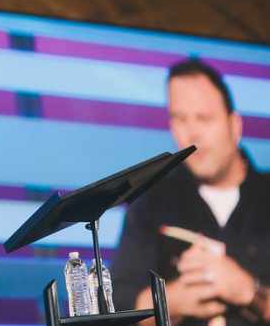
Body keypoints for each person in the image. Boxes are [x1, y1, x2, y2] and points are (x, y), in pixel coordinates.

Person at [111, 59, 270, 326]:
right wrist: (172, 301)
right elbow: (119, 308)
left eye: (204, 118)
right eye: (180, 119)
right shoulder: (151, 201)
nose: (192, 133)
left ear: (235, 125)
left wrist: (248, 292)